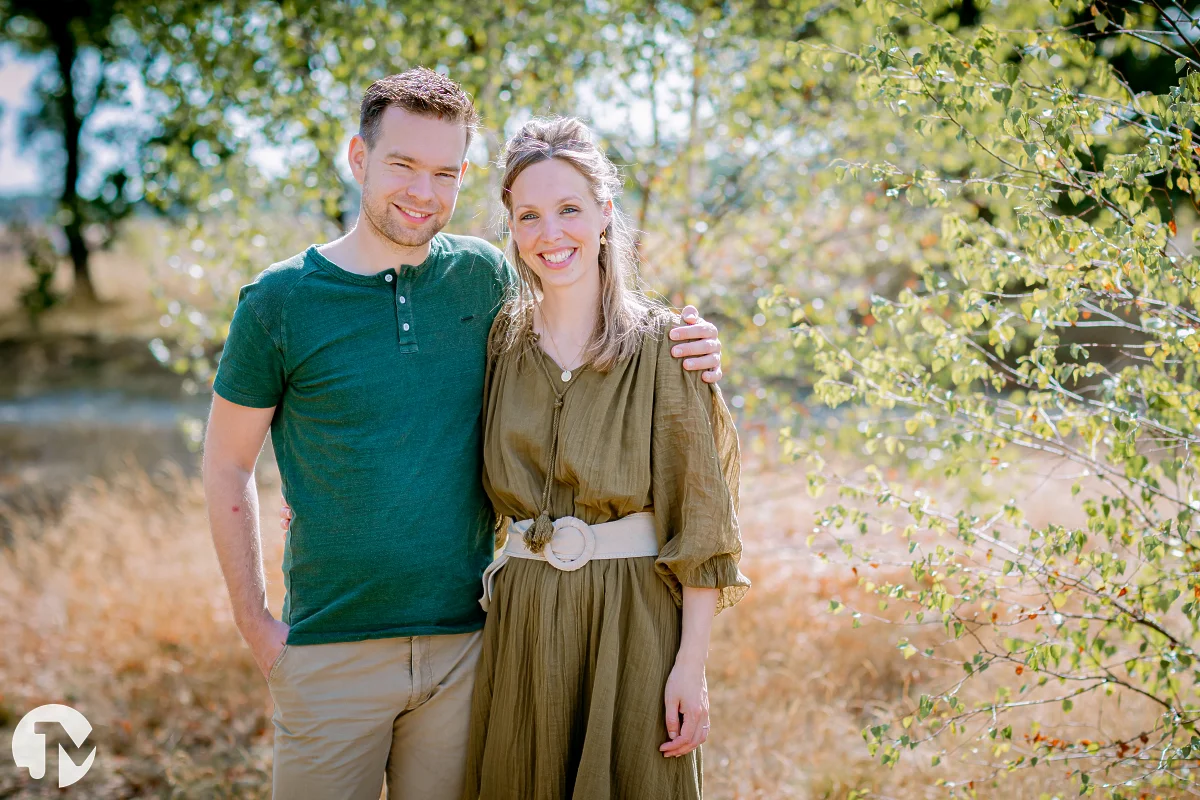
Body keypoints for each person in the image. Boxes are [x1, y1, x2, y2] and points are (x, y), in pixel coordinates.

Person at [202, 68, 724, 800]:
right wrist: (258, 626)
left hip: (472, 649)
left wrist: (693, 345)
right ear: (359, 158)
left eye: (445, 172)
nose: (423, 191)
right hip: (330, 649)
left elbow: (582, 304)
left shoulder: (482, 282)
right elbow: (226, 467)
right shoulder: (279, 302)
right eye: (402, 165)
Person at [460, 117, 749, 799]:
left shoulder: (665, 346)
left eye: (569, 209)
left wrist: (691, 667)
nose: (549, 233)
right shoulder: (498, 345)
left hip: (633, 626)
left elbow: (702, 521)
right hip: (523, 623)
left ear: (604, 214)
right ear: (511, 227)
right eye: (528, 215)